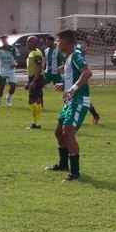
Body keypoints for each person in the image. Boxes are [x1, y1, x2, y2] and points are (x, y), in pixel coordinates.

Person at [45, 30, 92, 182]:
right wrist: (64, 85)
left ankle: (75, 173)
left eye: (59, 41)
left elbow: (87, 73)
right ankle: (63, 164)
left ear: (66, 41)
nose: (57, 44)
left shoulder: (76, 55)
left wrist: (73, 88)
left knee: (68, 133)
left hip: (78, 100)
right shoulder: (69, 57)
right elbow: (73, 76)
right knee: (59, 132)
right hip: (70, 101)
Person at [25, 36, 45, 129]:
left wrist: (34, 81)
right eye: (27, 41)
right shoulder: (32, 52)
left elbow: (39, 67)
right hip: (34, 78)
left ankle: (35, 123)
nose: (27, 43)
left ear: (35, 43)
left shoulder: (36, 53)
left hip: (36, 78)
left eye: (30, 42)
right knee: (37, 100)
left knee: (32, 100)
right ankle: (37, 123)